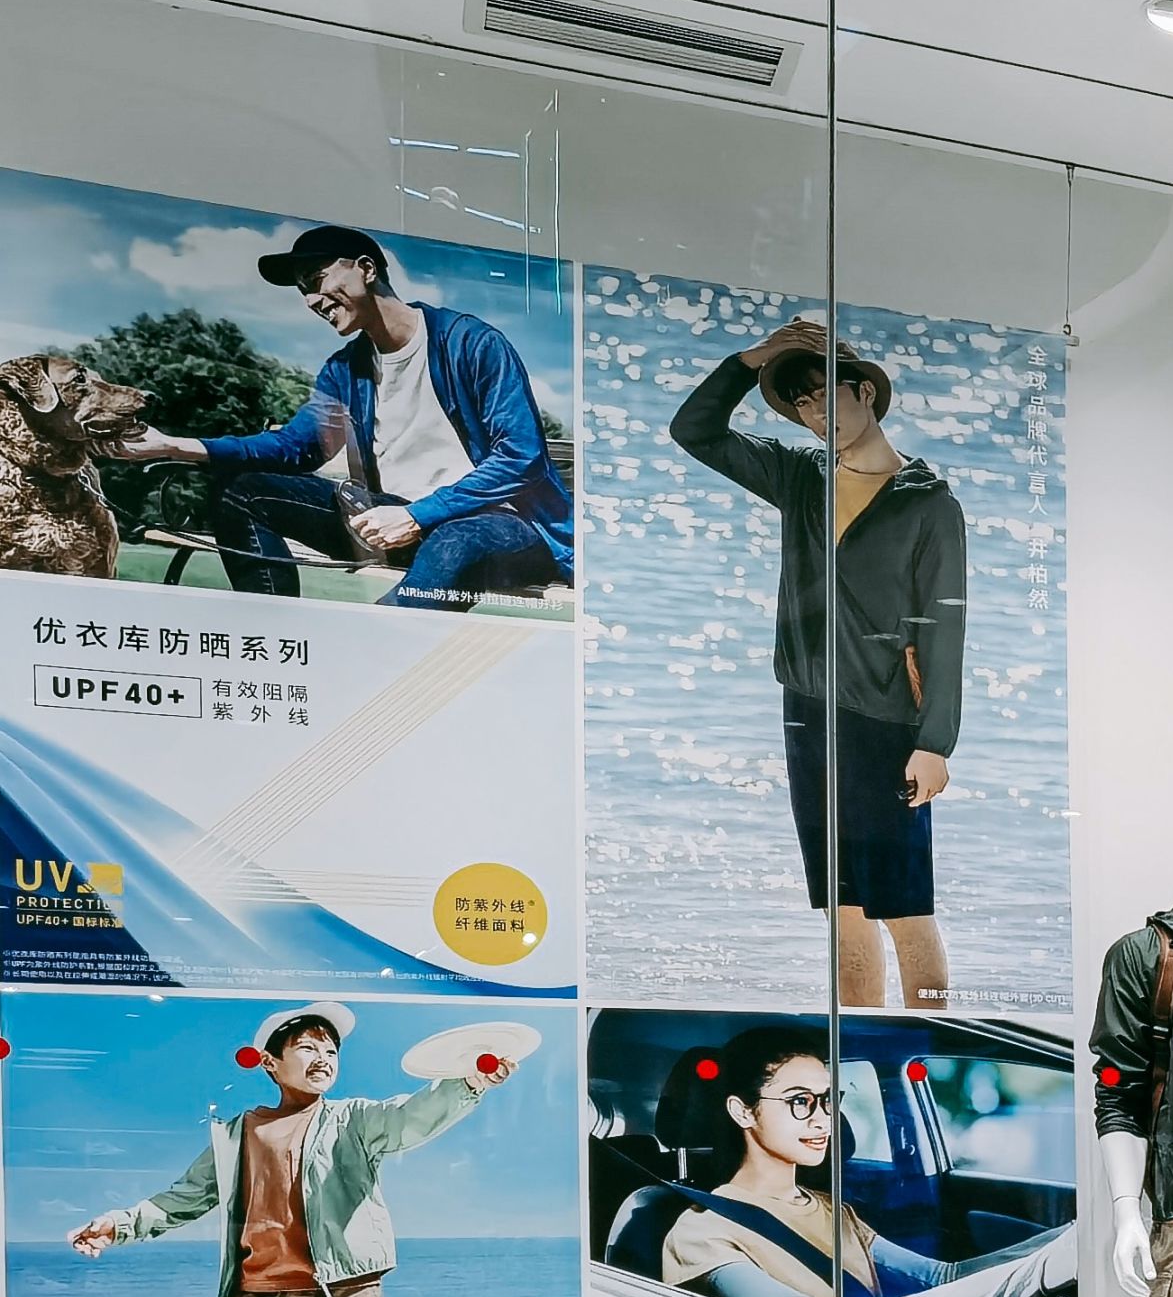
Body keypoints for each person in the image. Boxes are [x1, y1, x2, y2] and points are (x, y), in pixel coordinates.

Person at [670, 319, 971, 1012]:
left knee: (905, 904)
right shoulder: (798, 477)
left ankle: (932, 1033)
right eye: (801, 404)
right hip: (808, 711)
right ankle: (858, 1037)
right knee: (843, 906)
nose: (814, 415)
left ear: (864, 391)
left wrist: (934, 741)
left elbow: (946, 626)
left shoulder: (928, 503)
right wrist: (750, 361)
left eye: (824, 396)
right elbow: (695, 431)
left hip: (886, 720)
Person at [108, 225, 571, 610]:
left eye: (315, 279)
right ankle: (282, 638)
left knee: (454, 540)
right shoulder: (344, 370)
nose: (310, 299)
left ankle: (372, 658)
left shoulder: (471, 343)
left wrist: (418, 514)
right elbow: (296, 447)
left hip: (498, 523)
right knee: (243, 492)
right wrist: (175, 445)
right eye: (303, 290)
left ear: (366, 269)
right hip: (391, 517)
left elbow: (521, 458)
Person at [67, 1003, 511, 1297]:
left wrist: (469, 1083)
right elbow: (185, 1197)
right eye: (307, 1048)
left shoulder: (353, 1120)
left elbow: (411, 1116)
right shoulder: (239, 1134)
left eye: (331, 1050)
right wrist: (119, 1225)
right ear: (270, 1063)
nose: (323, 1058)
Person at [654, 1025, 956, 1297]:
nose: (824, 1120)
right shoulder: (701, 1232)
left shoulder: (835, 1210)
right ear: (743, 1112)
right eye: (800, 1101)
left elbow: (938, 1277)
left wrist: (1005, 1272)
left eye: (827, 1099)